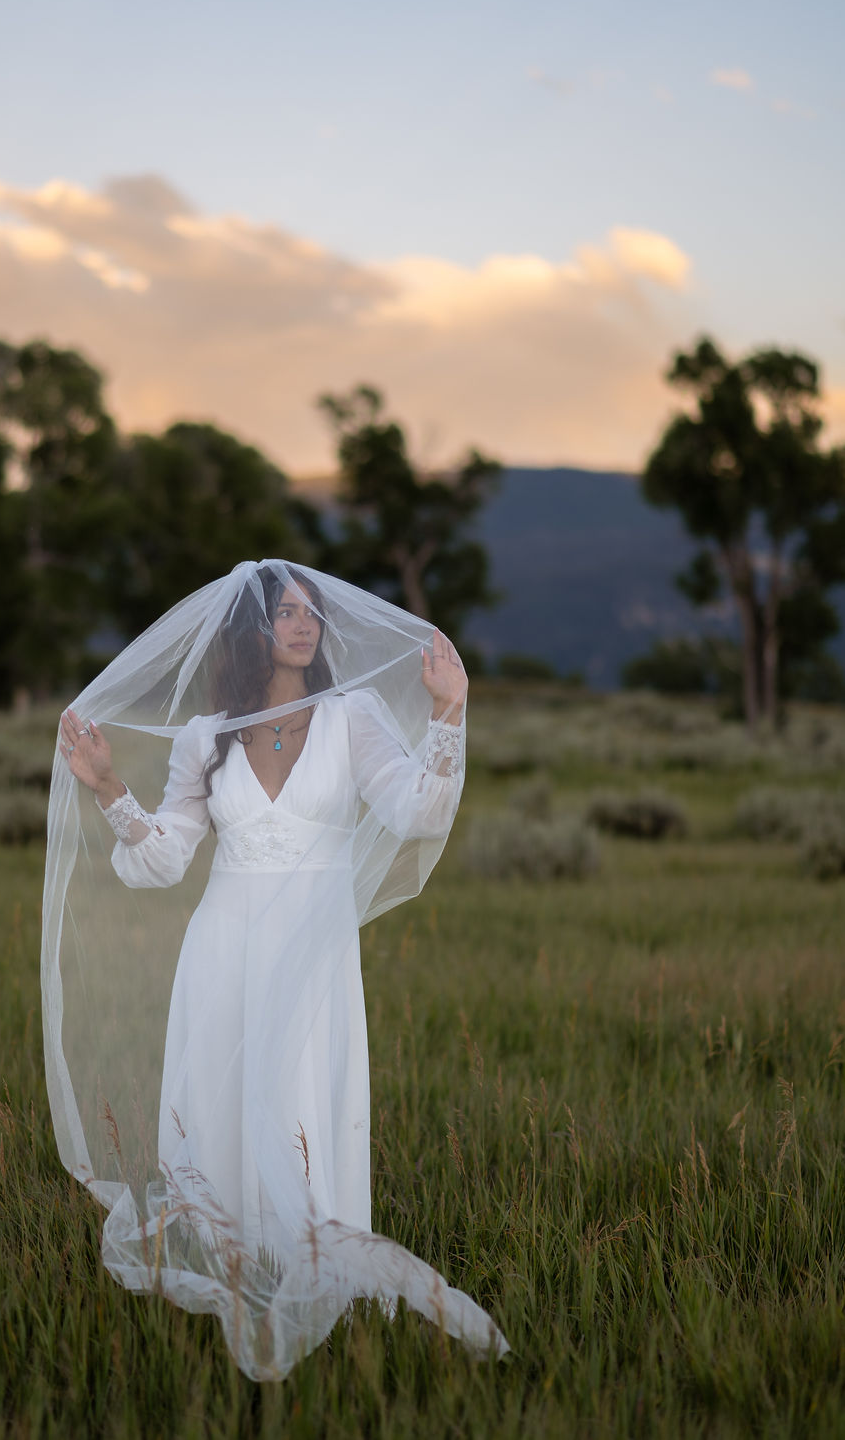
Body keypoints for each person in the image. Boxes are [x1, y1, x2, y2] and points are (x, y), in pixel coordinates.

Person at [42, 560, 508, 1379]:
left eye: (310, 612)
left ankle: (315, 1264)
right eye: (283, 612)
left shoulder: (351, 715)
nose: (301, 624)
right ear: (250, 631)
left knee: (300, 1095)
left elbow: (417, 810)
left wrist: (448, 711)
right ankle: (235, 1255)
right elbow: (165, 861)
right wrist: (112, 787)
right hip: (221, 944)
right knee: (220, 1097)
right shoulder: (203, 735)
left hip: (315, 948)